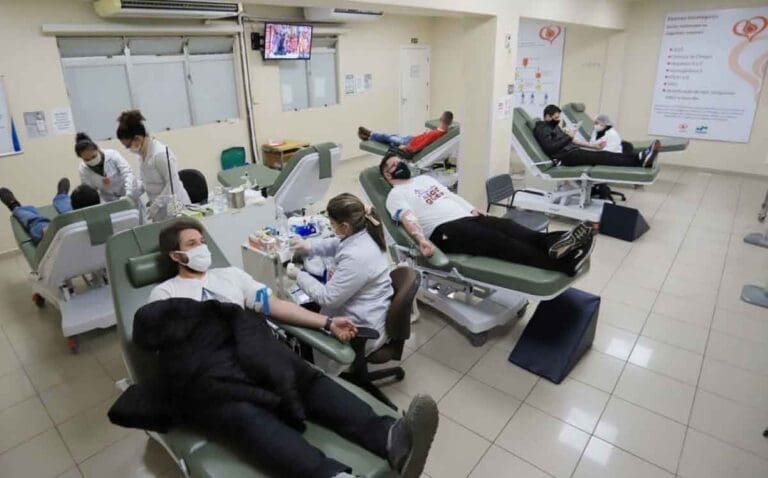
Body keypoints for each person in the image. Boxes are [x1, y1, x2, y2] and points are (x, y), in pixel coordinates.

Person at [149, 219, 439, 478]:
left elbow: (275, 305)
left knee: (305, 378)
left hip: (257, 354)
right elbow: (174, 347)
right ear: (176, 255)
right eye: (192, 244)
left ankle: (390, 436)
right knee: (245, 414)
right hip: (219, 372)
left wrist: (328, 322)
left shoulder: (231, 276)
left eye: (202, 241)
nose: (202, 248)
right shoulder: (165, 293)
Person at [379, 155, 595, 276]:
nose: (400, 165)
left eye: (400, 161)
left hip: (466, 217)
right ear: (388, 175)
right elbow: (408, 218)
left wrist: (473, 209)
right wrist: (421, 240)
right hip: (443, 231)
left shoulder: (424, 179)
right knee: (501, 242)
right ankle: (565, 263)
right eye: (394, 165)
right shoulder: (395, 195)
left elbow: (451, 196)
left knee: (513, 229)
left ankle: (561, 241)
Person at [290, 193, 393, 373]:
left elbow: (328, 298)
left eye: (332, 224)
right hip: (367, 308)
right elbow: (338, 243)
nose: (331, 227)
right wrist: (309, 247)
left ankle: (312, 374)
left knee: (299, 319)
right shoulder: (364, 232)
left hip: (358, 327)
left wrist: (298, 275)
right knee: (305, 309)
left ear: (345, 226)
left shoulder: (357, 256)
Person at [116, 110, 190, 221]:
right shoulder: (142, 155)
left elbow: (172, 184)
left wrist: (157, 204)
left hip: (176, 206)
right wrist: (130, 196)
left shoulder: (160, 154)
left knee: (178, 228)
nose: (128, 149)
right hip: (160, 210)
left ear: (137, 138)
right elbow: (144, 181)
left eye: (128, 146)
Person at [534, 105, 660, 168]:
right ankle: (639, 160)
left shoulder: (553, 126)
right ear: (547, 116)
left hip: (573, 152)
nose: (558, 120)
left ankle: (639, 157)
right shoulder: (542, 129)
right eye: (556, 117)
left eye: (558, 117)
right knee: (603, 157)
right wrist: (569, 137)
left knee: (605, 154)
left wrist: (592, 146)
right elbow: (550, 148)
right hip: (565, 157)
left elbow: (573, 141)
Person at [0, 179, 100, 244]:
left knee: (36, 222)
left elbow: (47, 234)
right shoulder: (104, 218)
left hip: (61, 245)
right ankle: (61, 196)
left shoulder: (63, 227)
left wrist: (48, 231)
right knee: (70, 210)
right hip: (88, 241)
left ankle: (14, 206)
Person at [75, 132, 142, 205]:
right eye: (87, 160)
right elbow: (90, 192)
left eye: (93, 156)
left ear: (97, 148)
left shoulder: (112, 155)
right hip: (109, 202)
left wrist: (129, 194)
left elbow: (127, 173)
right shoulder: (83, 170)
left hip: (129, 194)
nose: (92, 161)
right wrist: (102, 205)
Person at [358, 111, 454, 155]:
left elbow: (423, 144)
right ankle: (369, 137)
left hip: (409, 142)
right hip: (412, 139)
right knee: (391, 138)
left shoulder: (436, 134)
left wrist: (408, 148)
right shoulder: (445, 131)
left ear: (440, 119)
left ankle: (370, 134)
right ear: (450, 122)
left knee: (387, 137)